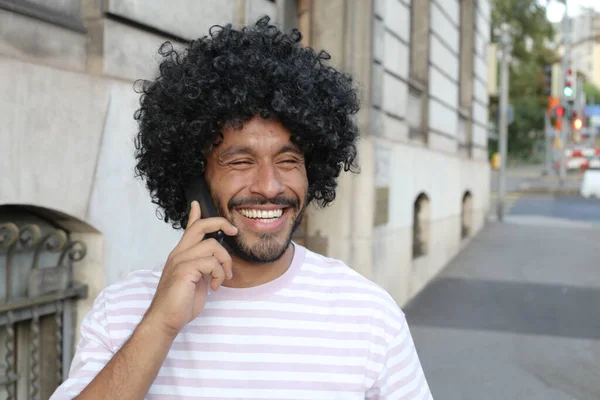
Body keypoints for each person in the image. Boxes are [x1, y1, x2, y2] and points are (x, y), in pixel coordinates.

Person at [51, 16, 433, 400]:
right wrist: (161, 325)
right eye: (240, 161)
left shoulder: (369, 316)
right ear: (194, 179)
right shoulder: (123, 310)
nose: (269, 186)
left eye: (288, 161)